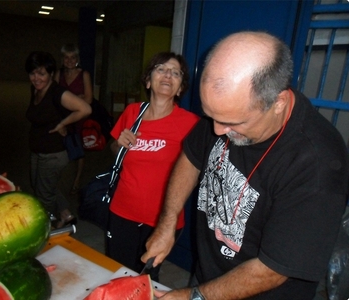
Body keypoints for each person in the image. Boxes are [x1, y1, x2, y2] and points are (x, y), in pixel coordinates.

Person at [142, 31, 349, 299]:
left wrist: (194, 296)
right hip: (207, 278)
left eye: (233, 123)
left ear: (279, 103)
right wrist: (167, 222)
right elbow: (192, 157)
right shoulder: (226, 110)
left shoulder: (317, 164)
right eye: (210, 116)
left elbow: (273, 269)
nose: (217, 130)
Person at [106, 52, 200, 281]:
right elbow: (113, 150)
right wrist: (118, 144)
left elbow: (196, 171)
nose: (168, 74)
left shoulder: (191, 124)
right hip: (122, 212)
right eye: (161, 69)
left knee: (145, 278)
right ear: (148, 81)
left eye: (175, 72)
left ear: (179, 88)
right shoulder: (132, 113)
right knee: (117, 273)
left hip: (162, 219)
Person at [25, 51, 92, 228]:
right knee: (40, 185)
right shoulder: (35, 90)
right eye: (32, 73)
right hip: (38, 150)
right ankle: (65, 213)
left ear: (51, 74)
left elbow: (85, 108)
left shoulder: (58, 93)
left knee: (44, 195)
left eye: (42, 73)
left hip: (53, 154)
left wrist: (63, 123)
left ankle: (45, 228)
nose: (36, 78)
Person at [54, 43, 93, 195]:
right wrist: (78, 98)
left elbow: (89, 100)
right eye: (66, 57)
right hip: (62, 115)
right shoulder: (59, 74)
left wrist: (71, 100)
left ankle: (77, 179)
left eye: (73, 57)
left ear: (77, 59)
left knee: (78, 149)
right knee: (62, 146)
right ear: (62, 59)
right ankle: (61, 177)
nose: (69, 60)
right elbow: (54, 97)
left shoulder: (84, 75)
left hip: (79, 117)